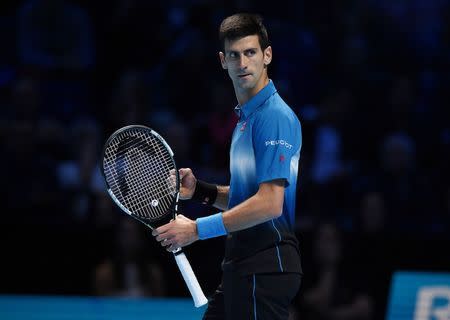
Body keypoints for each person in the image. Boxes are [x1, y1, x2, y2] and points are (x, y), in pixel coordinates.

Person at [152, 13, 303, 319]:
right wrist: (201, 192)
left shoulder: (273, 117)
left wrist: (196, 229)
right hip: (241, 266)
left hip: (265, 266)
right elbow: (248, 199)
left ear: (267, 56)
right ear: (223, 61)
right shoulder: (245, 120)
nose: (243, 63)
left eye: (250, 53)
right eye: (234, 55)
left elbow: (270, 204)